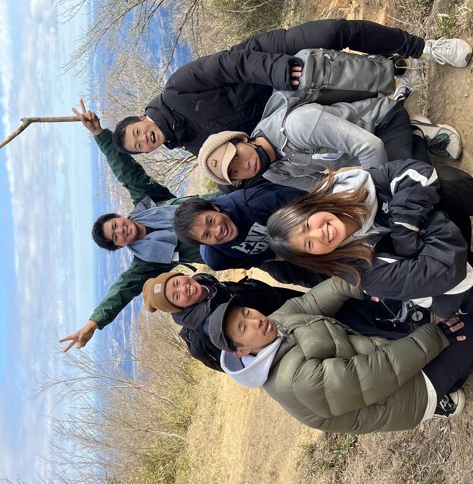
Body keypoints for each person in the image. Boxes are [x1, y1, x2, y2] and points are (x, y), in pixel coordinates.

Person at [112, 19, 473, 156]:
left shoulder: (177, 89)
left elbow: (231, 64)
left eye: (140, 133)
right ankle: (413, 127)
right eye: (141, 147)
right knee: (336, 119)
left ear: (143, 118)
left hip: (270, 60)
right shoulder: (194, 146)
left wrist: (281, 70)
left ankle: (423, 48)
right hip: (279, 107)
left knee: (336, 34)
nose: (146, 140)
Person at [265, 159, 473, 322]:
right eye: (309, 244)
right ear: (314, 257)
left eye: (308, 224)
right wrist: (423, 222)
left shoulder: (349, 187)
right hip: (451, 281)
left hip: (436, 240)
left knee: (444, 181)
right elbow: (442, 271)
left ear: (312, 206)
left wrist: (406, 226)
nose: (319, 233)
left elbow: (416, 173)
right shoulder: (361, 273)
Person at [206, 278, 473, 433]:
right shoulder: (294, 380)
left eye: (246, 312)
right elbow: (375, 374)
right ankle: (439, 400)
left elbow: (311, 301)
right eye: (244, 328)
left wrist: (357, 283)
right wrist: (437, 336)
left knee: (379, 295)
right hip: (403, 395)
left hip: (378, 355)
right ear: (241, 350)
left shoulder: (275, 323)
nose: (255, 320)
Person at [60, 100, 211, 352]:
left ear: (120, 217)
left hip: (226, 206)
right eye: (116, 237)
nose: (121, 231)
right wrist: (94, 322)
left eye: (116, 225)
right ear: (120, 245)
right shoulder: (147, 262)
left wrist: (99, 134)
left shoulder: (148, 203)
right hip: (230, 248)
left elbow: (126, 170)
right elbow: (121, 292)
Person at [196, 92, 461, 191]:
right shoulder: (274, 174)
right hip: (368, 150)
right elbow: (321, 186)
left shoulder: (297, 125)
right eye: (234, 172)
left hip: (383, 124)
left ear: (242, 139)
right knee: (404, 190)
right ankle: (415, 142)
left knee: (415, 186)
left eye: (237, 155)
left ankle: (417, 131)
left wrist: (378, 193)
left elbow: (371, 148)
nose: (244, 165)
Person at [171, 182, 328, 287]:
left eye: (211, 220)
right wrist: (274, 256)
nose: (217, 230)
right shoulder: (217, 259)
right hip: (269, 254)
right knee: (291, 274)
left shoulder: (253, 201)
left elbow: (309, 203)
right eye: (206, 235)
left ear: (214, 207)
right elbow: (250, 261)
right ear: (204, 243)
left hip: (299, 224)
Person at [141, 270, 303, 371]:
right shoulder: (205, 334)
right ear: (177, 308)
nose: (184, 289)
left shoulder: (206, 282)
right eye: (176, 296)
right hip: (287, 334)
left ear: (181, 275)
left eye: (176, 282)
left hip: (284, 300)